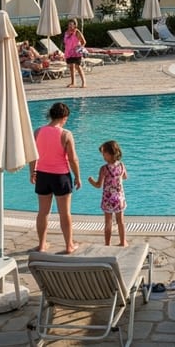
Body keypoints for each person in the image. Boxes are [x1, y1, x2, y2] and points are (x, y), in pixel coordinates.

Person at [31, 102, 81, 253]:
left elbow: (32, 155)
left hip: (42, 175)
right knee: (65, 213)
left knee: (43, 212)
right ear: (64, 117)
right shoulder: (66, 134)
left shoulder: (38, 131)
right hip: (60, 177)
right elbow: (73, 159)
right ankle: (69, 245)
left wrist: (32, 172)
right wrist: (78, 177)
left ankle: (41, 245)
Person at [87, 140, 129, 246]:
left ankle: (107, 244)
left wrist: (91, 180)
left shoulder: (104, 169)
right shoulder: (121, 166)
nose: (103, 156)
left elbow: (98, 185)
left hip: (108, 199)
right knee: (121, 222)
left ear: (109, 154)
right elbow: (125, 177)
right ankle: (123, 242)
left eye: (104, 153)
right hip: (119, 198)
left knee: (108, 222)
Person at [63, 20, 87, 88]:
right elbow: (66, 43)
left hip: (76, 52)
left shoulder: (77, 32)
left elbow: (84, 42)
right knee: (71, 67)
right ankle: (73, 83)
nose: (70, 26)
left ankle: (84, 83)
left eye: (71, 24)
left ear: (74, 25)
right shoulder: (66, 33)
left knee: (78, 67)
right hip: (69, 52)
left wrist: (79, 48)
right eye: (69, 24)